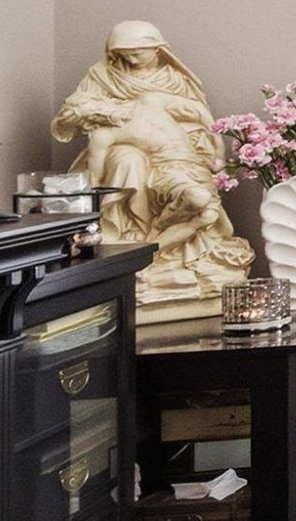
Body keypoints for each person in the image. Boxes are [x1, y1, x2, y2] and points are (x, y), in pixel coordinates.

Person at [53, 22, 256, 318]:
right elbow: (81, 138)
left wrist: (216, 152)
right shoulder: (103, 86)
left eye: (138, 53)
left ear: (157, 48)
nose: (132, 60)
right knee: (128, 161)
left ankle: (150, 247)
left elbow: (199, 116)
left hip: (183, 158)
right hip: (134, 158)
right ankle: (129, 238)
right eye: (125, 54)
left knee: (204, 209)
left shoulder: (167, 86)